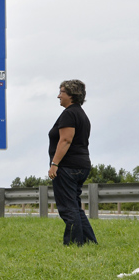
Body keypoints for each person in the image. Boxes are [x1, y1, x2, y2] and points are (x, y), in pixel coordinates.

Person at [47, 79, 98, 246]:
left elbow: (65, 140)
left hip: (68, 167)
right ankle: (89, 241)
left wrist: (54, 164)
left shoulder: (69, 114)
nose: (58, 96)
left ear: (71, 95)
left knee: (67, 207)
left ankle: (74, 244)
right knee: (75, 206)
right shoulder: (82, 114)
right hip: (81, 165)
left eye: (61, 92)